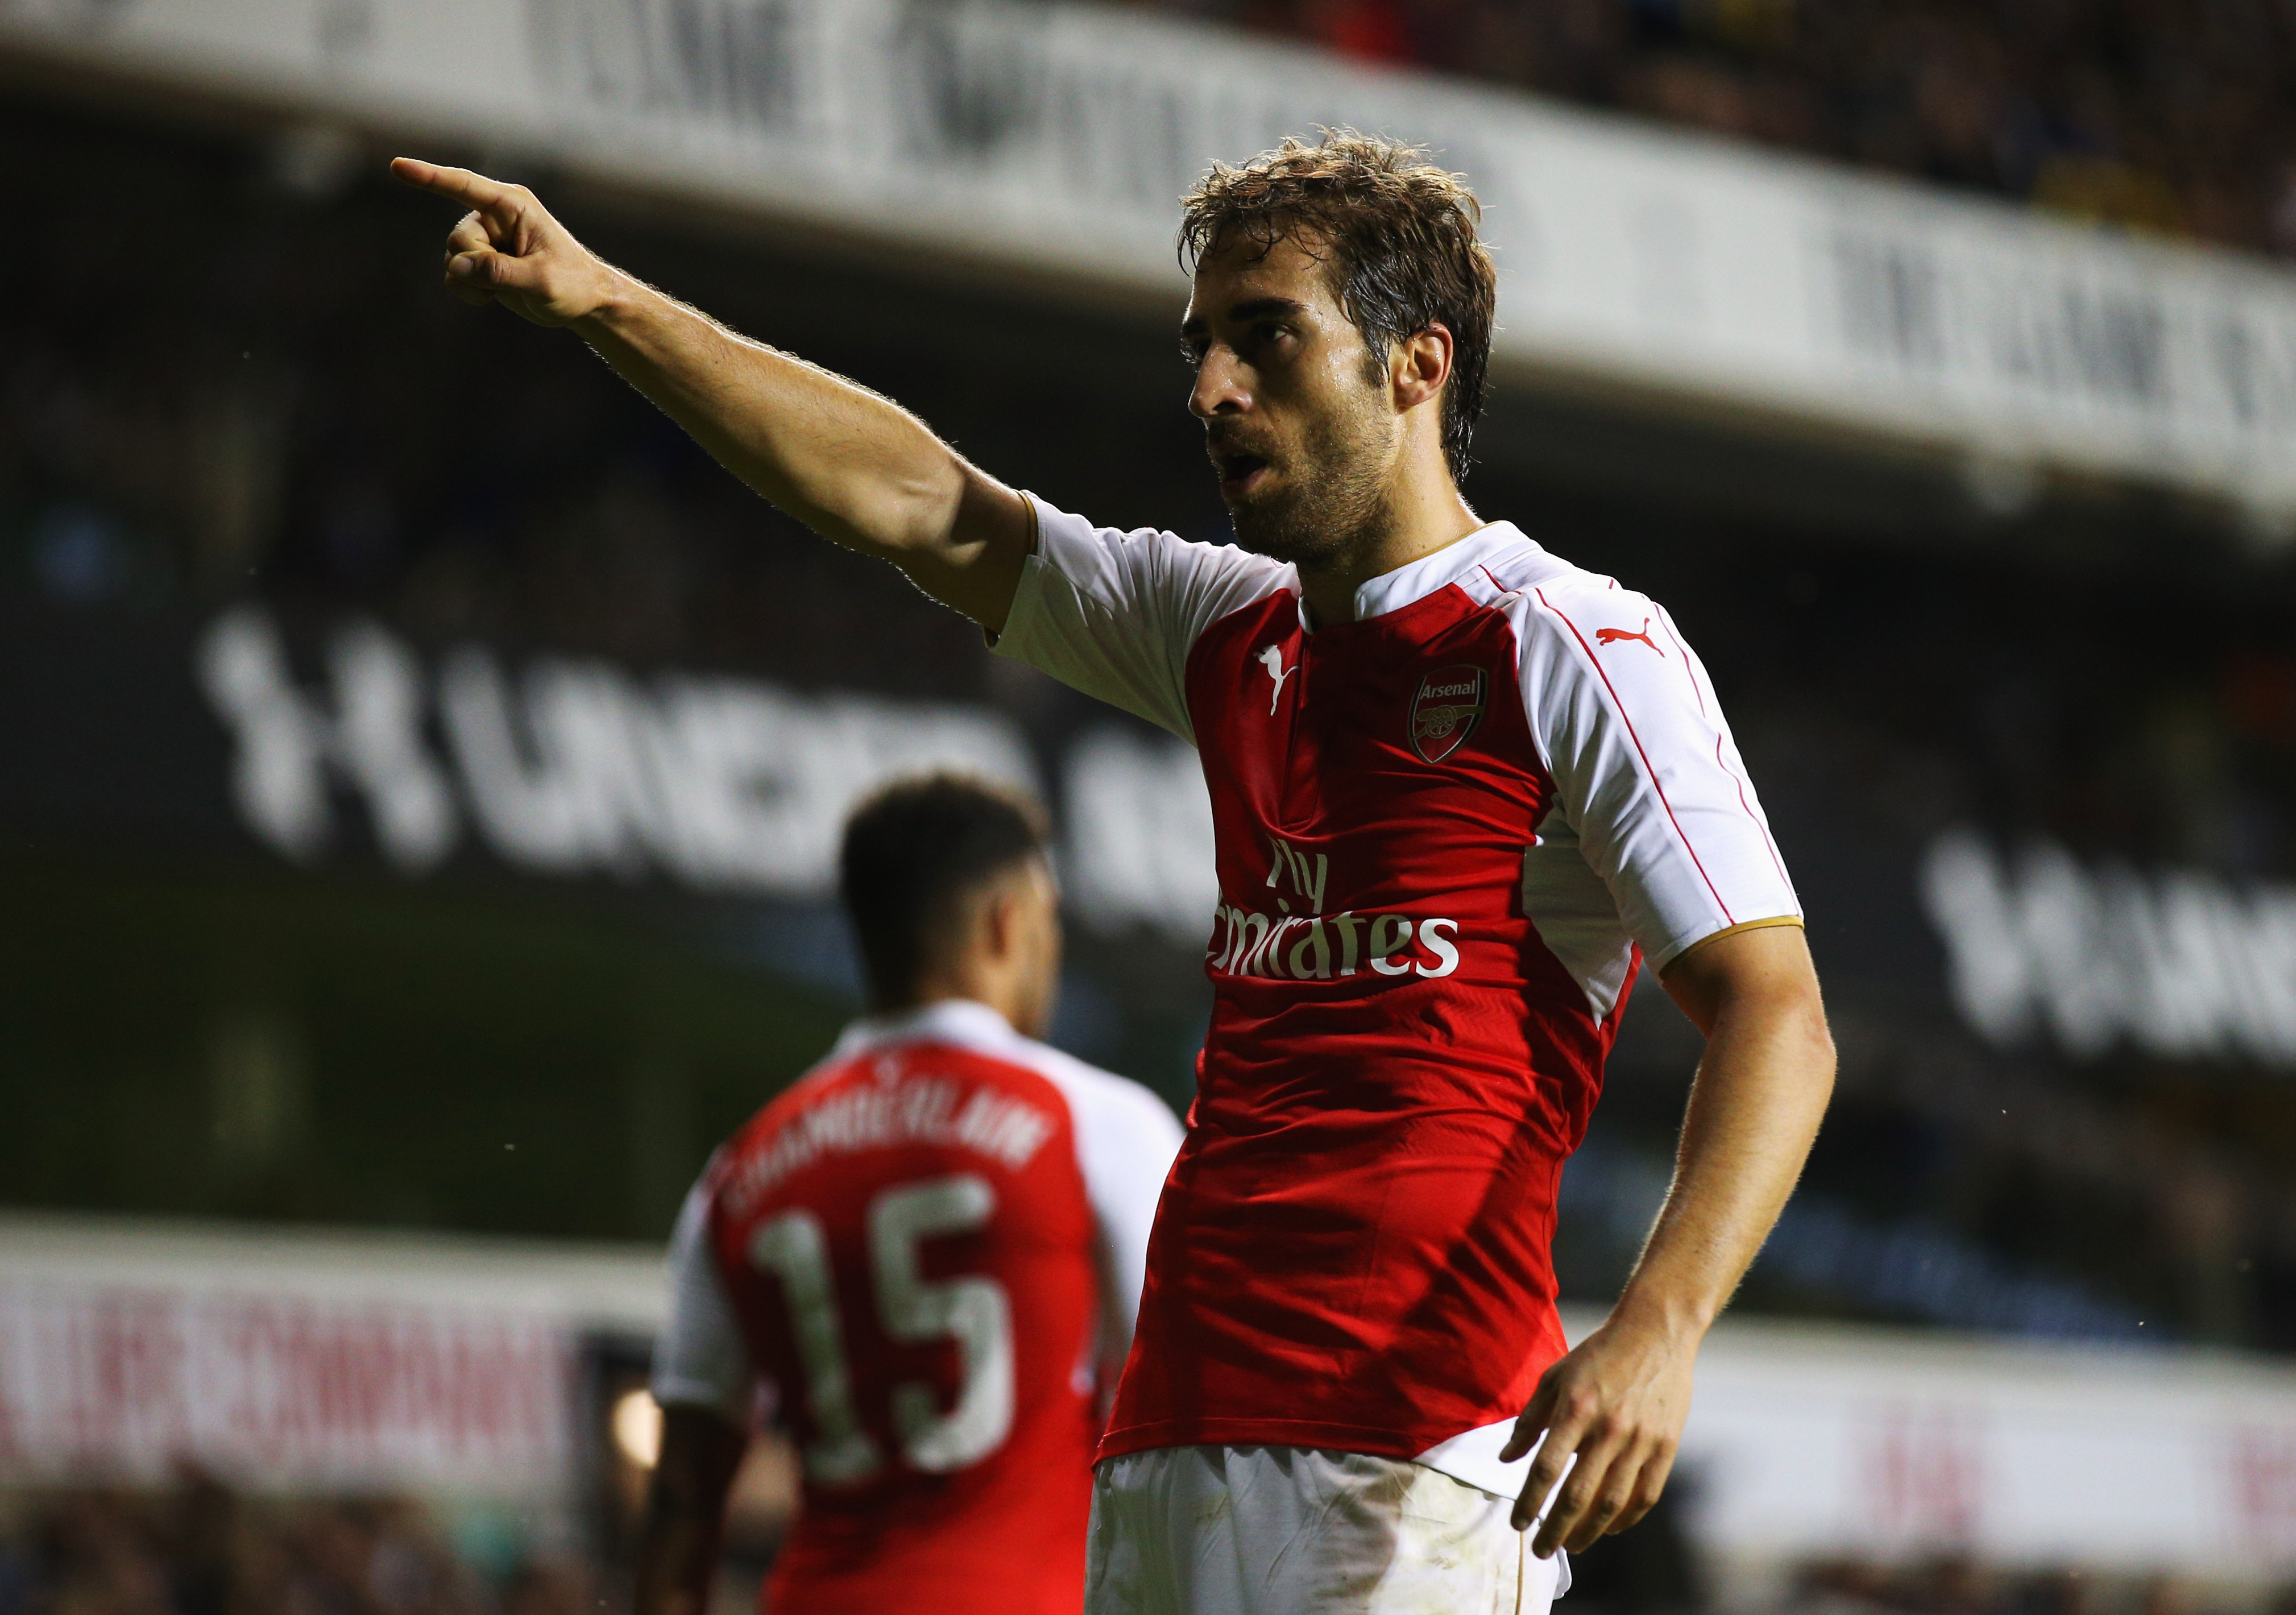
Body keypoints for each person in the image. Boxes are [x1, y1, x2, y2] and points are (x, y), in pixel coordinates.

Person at [397, 129, 1838, 1614]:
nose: (1214, 390)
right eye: (1201, 347)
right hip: (1163, 1444)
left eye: (1267, 338)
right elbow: (922, 506)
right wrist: (609, 306)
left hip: (1416, 1450)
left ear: (1417, 366)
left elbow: (1776, 1016)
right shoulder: (1229, 631)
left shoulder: (1574, 646)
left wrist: (1660, 1328)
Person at [636, 775, 1184, 1615]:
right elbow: (1190, 1421)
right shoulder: (1095, 1123)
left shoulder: (740, 1170)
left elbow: (682, 1497)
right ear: (1009, 921)